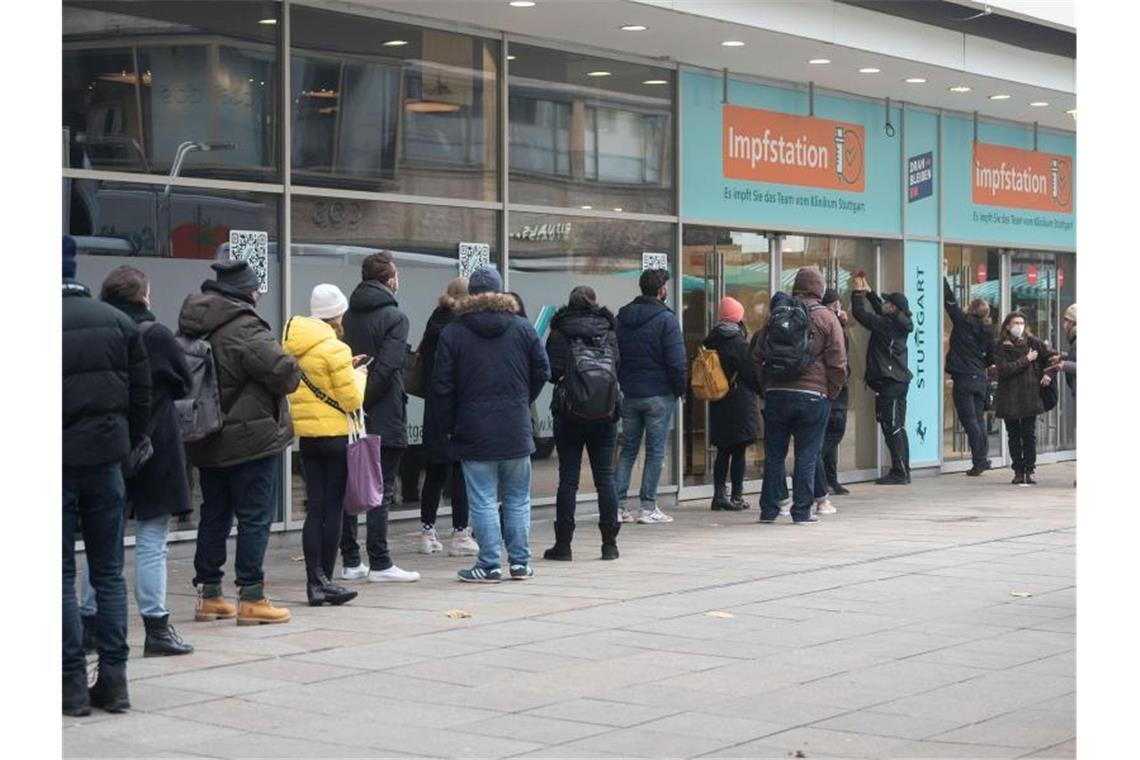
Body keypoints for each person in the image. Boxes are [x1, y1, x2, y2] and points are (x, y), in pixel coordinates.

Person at [78, 266, 195, 659]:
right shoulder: (154, 334)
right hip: (154, 444)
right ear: (143, 296)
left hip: (106, 444)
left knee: (102, 539)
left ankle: (89, 622)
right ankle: (156, 626)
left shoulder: (97, 330)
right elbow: (183, 381)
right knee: (150, 539)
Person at [178, 260, 300, 626]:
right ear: (247, 291)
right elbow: (284, 372)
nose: (259, 294)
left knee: (214, 515)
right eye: (256, 289)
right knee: (254, 518)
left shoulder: (193, 322)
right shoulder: (245, 326)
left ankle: (209, 595)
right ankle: (251, 596)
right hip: (251, 441)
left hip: (208, 435)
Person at [63, 236, 151, 716]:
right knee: (109, 573)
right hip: (106, 461)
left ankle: (71, 684)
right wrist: (125, 445)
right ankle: (114, 681)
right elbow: (142, 399)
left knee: (58, 575)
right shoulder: (119, 323)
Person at [433, 266, 550, 582]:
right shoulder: (522, 328)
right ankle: (520, 563)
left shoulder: (454, 332)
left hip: (473, 427)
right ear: (500, 292)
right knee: (517, 498)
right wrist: (521, 400)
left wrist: (448, 424)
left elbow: (442, 385)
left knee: (482, 498)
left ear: (471, 294)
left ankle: (488, 563)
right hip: (515, 425)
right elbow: (542, 370)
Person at [340, 251, 420, 583]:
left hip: (349, 412)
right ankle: (381, 562)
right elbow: (387, 368)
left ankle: (350, 560)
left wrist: (355, 402)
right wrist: (366, 399)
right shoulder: (395, 318)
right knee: (382, 488)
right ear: (390, 280)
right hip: (383, 411)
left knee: (350, 485)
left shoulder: (345, 315)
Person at [283, 284, 365, 607]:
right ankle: (325, 581)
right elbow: (352, 398)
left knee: (314, 510)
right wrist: (359, 374)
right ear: (338, 315)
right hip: (335, 438)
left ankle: (312, 583)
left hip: (309, 440)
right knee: (333, 511)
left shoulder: (294, 346)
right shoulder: (335, 349)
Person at [752, 267, 846, 524]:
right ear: (819, 289)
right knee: (806, 454)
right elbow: (838, 362)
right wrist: (831, 391)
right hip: (813, 395)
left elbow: (758, 355)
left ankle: (769, 510)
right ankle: (802, 511)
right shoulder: (827, 317)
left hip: (776, 393)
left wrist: (766, 387)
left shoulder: (776, 315)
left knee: (774, 454)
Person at [543, 286, 622, 561]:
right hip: (605, 412)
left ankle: (563, 545)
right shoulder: (608, 331)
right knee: (605, 478)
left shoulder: (560, 331)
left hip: (569, 413)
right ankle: (609, 544)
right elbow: (617, 367)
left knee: (568, 480)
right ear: (594, 303)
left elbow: (551, 373)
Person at [614, 269, 687, 524]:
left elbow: (616, 354)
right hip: (659, 393)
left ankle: (617, 505)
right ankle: (647, 507)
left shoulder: (622, 317)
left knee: (628, 449)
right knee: (656, 451)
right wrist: (680, 389)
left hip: (630, 392)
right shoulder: (666, 319)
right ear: (660, 289)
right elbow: (677, 361)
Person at [418, 277, 479, 557]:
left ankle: (427, 531)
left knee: (434, 470)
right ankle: (460, 533)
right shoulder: (460, 329)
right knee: (459, 473)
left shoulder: (434, 321)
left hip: (434, 407)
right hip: (456, 406)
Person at [850, 274, 915, 485]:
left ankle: (900, 471)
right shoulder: (896, 322)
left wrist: (857, 293)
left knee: (892, 426)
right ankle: (903, 469)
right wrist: (870, 293)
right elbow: (880, 311)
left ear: (894, 308)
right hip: (897, 381)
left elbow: (861, 315)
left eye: (888, 302)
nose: (884, 303)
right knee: (898, 426)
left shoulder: (888, 325)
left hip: (890, 382)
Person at [702, 297, 760, 511]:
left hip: (718, 399)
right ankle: (736, 495)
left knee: (723, 450)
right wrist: (763, 391)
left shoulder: (710, 340)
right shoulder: (738, 342)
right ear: (737, 317)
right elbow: (750, 373)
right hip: (739, 399)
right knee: (738, 450)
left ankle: (718, 495)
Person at [994, 312, 1057, 486]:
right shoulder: (1001, 346)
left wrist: (1049, 374)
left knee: (1028, 435)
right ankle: (1017, 470)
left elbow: (1053, 357)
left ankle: (1029, 469)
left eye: (1021, 322)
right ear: (1007, 326)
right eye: (1015, 322)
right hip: (1009, 397)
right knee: (1013, 435)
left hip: (1030, 396)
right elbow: (1005, 369)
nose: (1019, 326)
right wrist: (1027, 359)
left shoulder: (1033, 342)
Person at [943, 273, 997, 476]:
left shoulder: (963, 323)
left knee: (969, 421)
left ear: (971, 309)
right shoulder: (987, 330)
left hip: (964, 378)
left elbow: (950, 302)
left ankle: (980, 461)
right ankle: (984, 458)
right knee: (978, 420)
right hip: (979, 378)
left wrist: (943, 275)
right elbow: (992, 358)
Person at [814, 288, 853, 506]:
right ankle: (817, 466)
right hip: (833, 391)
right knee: (833, 434)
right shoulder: (830, 325)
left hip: (828, 390)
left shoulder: (828, 324)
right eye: (836, 305)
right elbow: (838, 358)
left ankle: (830, 479)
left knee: (829, 434)